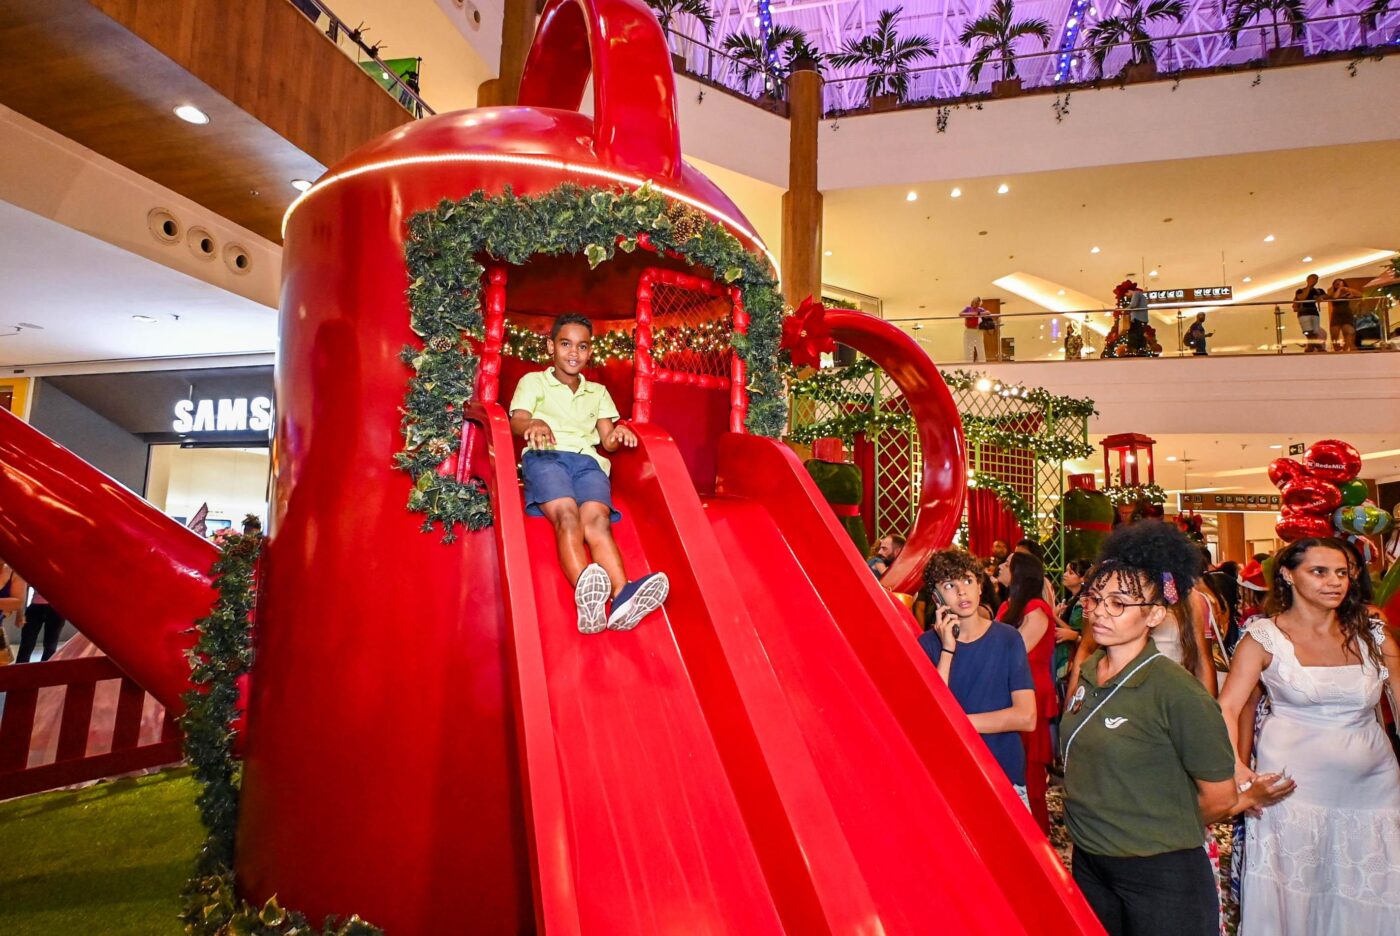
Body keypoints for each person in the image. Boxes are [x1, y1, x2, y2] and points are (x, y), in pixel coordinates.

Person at [1060, 521, 1292, 936]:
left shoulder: (1176, 692)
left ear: (1153, 614)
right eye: (1095, 598)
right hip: (1091, 862)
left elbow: (1219, 799)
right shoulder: (1091, 670)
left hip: (1159, 870)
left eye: (1118, 603)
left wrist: (1145, 825)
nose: (1099, 611)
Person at [1217, 537, 1400, 934]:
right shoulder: (1264, 636)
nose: (1334, 582)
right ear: (1288, 575)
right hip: (1292, 789)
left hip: (1374, 784)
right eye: (1319, 572)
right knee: (1298, 888)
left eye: (1342, 573)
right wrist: (1237, 770)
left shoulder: (1372, 633)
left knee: (1371, 882)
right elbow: (1228, 706)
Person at [509, 313, 668, 633]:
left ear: (589, 351)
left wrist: (620, 435)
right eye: (565, 344)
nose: (573, 353)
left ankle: (622, 595)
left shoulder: (597, 392)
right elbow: (517, 420)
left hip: (588, 463)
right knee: (567, 516)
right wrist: (533, 424)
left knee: (597, 522)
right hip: (546, 456)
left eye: (581, 347)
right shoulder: (533, 382)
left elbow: (607, 441)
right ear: (552, 346)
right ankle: (587, 593)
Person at [917, 549, 1037, 804]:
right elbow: (930, 717)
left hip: (1003, 770)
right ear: (937, 598)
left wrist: (956, 724)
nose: (962, 591)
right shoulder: (927, 645)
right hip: (951, 774)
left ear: (980, 587)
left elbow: (1027, 717)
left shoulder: (1007, 638)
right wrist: (947, 649)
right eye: (950, 585)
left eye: (968, 581)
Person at [996, 552, 1058, 833]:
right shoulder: (1009, 606)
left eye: (1007, 564)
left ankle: (1036, 836)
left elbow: (1014, 652)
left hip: (1029, 692)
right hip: (1009, 691)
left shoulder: (1035, 608)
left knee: (1030, 773)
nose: (999, 566)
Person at [18, 591, 64, 663]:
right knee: (27, 644)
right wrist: (20, 612)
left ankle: (46, 672)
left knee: (50, 646)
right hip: (36, 606)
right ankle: (19, 671)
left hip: (57, 608)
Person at [1292, 274, 1328, 353]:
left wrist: (1321, 297)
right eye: (1312, 279)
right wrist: (1309, 286)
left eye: (1315, 279)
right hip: (1303, 312)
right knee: (1308, 331)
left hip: (1314, 312)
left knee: (1314, 332)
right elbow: (1302, 297)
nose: (1314, 281)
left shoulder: (1319, 291)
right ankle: (1319, 348)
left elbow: (1327, 296)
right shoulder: (1300, 290)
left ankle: (1310, 348)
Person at [1327, 278, 1362, 352]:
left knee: (1349, 333)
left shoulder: (1347, 291)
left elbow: (1360, 294)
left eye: (1339, 282)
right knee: (1334, 335)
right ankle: (1337, 350)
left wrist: (1347, 289)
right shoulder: (1332, 292)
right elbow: (1334, 298)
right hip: (1336, 314)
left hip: (1346, 314)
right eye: (1336, 282)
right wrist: (1339, 289)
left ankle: (1345, 349)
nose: (1338, 283)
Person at [960, 296, 988, 362]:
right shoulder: (968, 308)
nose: (977, 305)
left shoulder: (980, 309)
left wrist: (978, 313)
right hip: (969, 330)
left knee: (980, 346)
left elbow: (988, 313)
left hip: (977, 330)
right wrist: (971, 314)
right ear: (973, 302)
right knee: (968, 347)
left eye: (978, 303)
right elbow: (960, 314)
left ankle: (982, 361)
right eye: (976, 303)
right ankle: (969, 362)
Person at [1127, 285, 1150, 355]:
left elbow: (1133, 305)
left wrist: (1125, 309)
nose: (1127, 296)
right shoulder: (1141, 295)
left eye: (1126, 294)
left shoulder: (1136, 293)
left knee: (1136, 335)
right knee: (1140, 334)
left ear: (1129, 291)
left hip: (1139, 318)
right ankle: (1140, 349)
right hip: (1143, 318)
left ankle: (1137, 350)